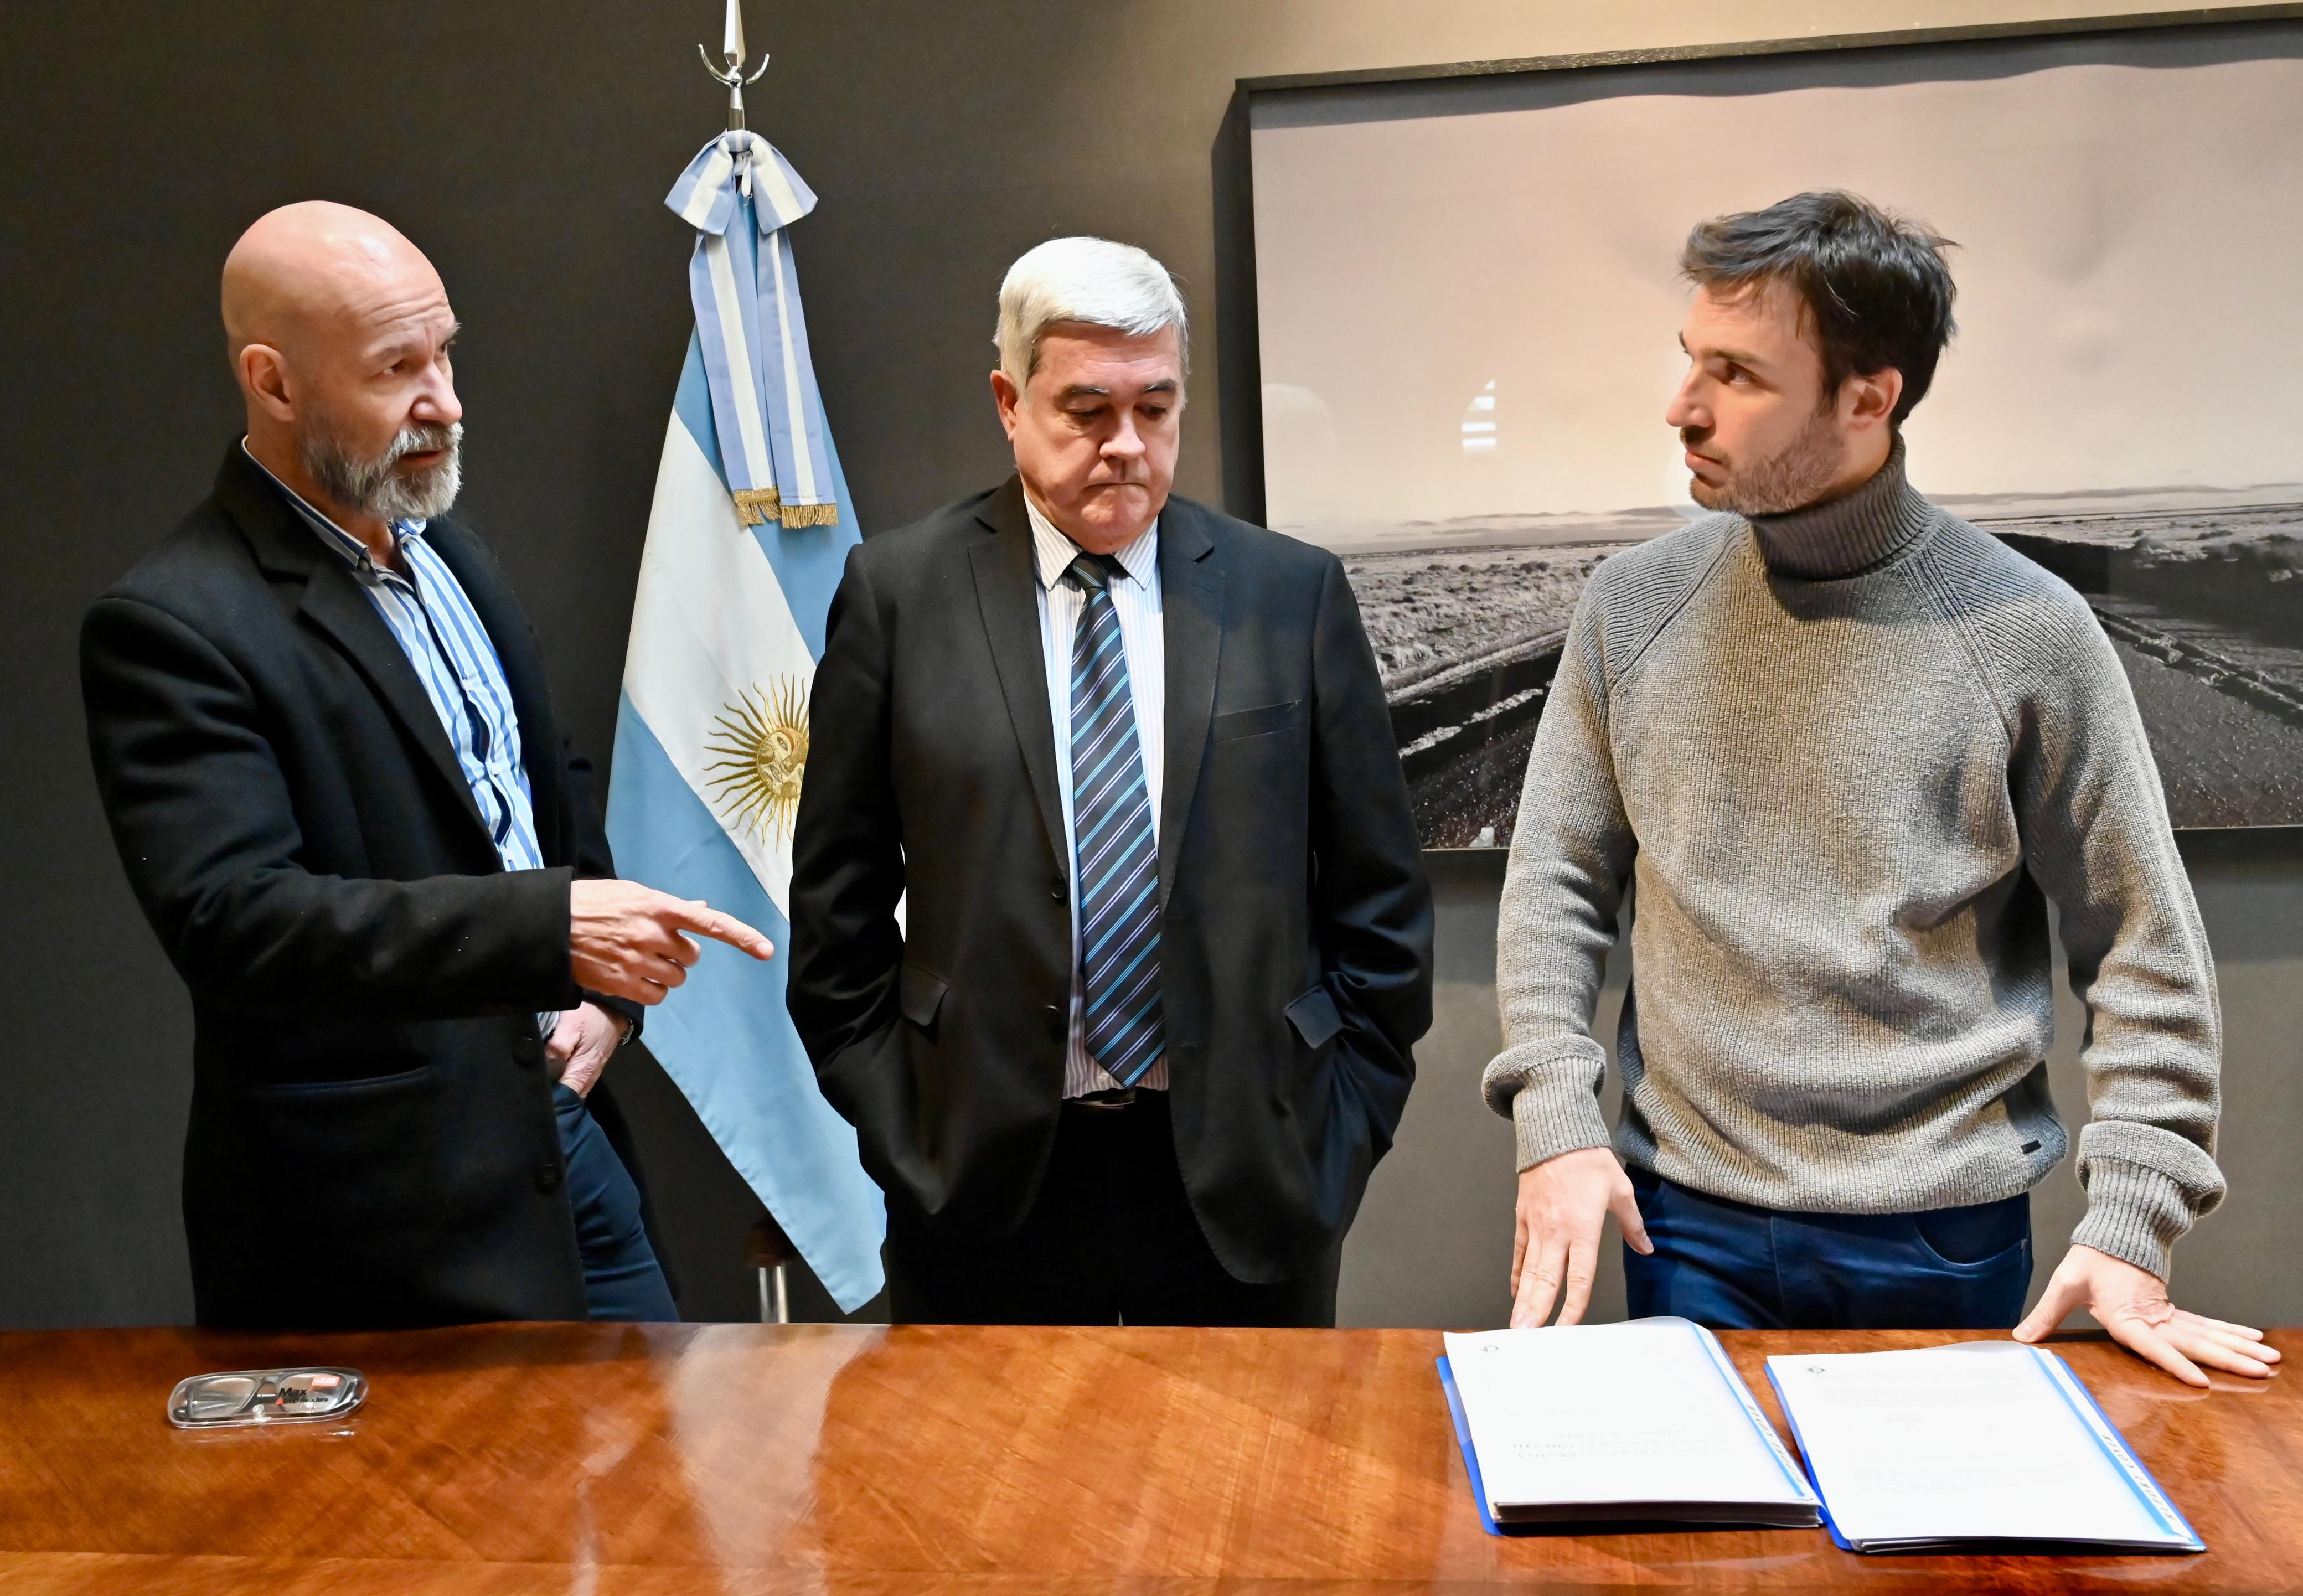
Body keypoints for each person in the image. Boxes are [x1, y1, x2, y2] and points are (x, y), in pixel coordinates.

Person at [1485, 191, 2279, 1386]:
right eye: (1691, 360)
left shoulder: (2028, 634)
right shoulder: (1631, 607)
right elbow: (1553, 881)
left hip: (1940, 1236)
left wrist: (2131, 1223)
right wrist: (1554, 1120)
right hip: (1685, 1222)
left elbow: (2141, 942)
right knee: (1705, 1577)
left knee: (1942, 1577)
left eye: (1739, 376)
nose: (1682, 408)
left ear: (1869, 397)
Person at [81, 202, 776, 1329]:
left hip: (565, 1138)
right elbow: (236, 920)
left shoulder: (444, 538)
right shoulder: (171, 622)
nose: (445, 402)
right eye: (396, 367)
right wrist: (549, 929)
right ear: (274, 383)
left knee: (658, 1488)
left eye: (445, 351)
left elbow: (536, 767)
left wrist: (599, 995)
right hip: (379, 1217)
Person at [788, 236, 1432, 1324]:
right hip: (987, 1183)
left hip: (1245, 1178)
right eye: (1087, 410)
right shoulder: (899, 596)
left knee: (1245, 1494)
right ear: (1009, 400)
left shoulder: (1290, 594)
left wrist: (1341, 1121)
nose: (1126, 446)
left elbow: (1379, 897)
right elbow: (836, 909)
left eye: (1156, 408)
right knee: (999, 1496)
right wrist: (904, 1125)